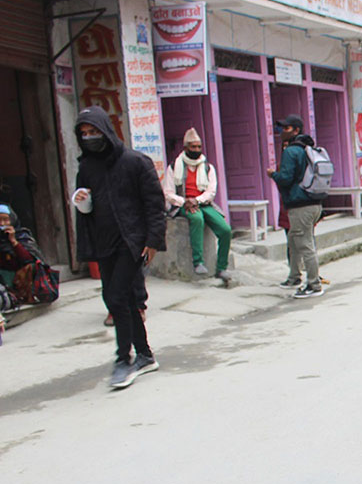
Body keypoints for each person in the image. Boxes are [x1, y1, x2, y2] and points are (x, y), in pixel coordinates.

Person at [71, 106, 166, 389]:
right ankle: (145, 355)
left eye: (94, 131)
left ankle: (123, 360)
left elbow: (154, 204)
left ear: (106, 130)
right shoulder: (87, 167)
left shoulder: (136, 162)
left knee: (116, 297)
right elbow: (85, 206)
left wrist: (152, 241)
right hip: (104, 243)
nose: (89, 138)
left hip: (132, 242)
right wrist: (81, 201)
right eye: (84, 133)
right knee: (118, 298)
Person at [161, 127, 232, 281]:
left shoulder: (208, 167)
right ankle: (198, 262)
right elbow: (168, 193)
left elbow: (211, 192)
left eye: (199, 147)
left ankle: (221, 268)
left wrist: (196, 200)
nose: (196, 150)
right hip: (182, 204)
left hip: (204, 203)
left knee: (225, 230)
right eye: (193, 147)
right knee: (197, 219)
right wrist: (184, 201)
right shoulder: (174, 167)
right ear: (185, 148)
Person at [269, 114, 323, 298]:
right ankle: (294, 276)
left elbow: (285, 178)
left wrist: (273, 174)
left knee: (305, 244)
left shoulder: (291, 152)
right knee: (294, 239)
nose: (281, 132)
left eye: (286, 128)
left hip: (300, 205)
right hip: (313, 203)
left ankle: (314, 284)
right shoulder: (308, 149)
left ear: (296, 130)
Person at [0, 203, 57, 305]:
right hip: (3, 278)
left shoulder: (22, 236)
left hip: (20, 278)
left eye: (6, 220)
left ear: (12, 220)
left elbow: (30, 259)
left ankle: (25, 295)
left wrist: (14, 242)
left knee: (32, 266)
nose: (2, 224)